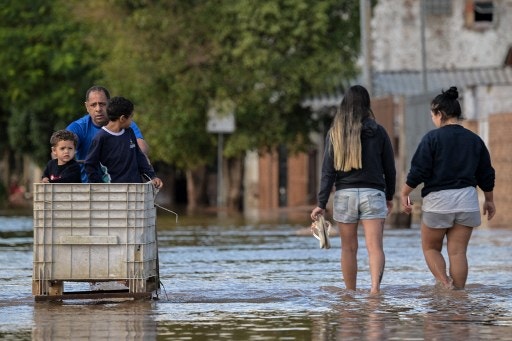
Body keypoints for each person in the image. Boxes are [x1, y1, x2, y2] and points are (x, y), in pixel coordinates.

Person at [400, 86, 495, 290]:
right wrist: (489, 199)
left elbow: (419, 171)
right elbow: (486, 173)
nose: (433, 119)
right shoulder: (474, 140)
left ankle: (445, 283)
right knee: (458, 252)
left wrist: (405, 193)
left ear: (440, 114)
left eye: (433, 115)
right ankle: (459, 298)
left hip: (439, 202)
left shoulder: (431, 139)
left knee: (430, 248)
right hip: (467, 200)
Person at [310, 85, 396, 294]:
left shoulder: (335, 133)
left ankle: (350, 293)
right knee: (375, 247)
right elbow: (389, 168)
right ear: (367, 105)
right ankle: (375, 290)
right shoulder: (379, 131)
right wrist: (389, 196)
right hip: (373, 194)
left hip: (345, 196)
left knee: (349, 248)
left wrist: (321, 203)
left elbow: (327, 172)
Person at [66, 85, 150, 183]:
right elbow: (61, 147)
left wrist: (142, 157)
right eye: (93, 105)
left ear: (109, 104)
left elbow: (140, 146)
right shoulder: (78, 127)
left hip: (121, 187)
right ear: (87, 107)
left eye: (102, 104)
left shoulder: (124, 123)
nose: (98, 109)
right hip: (90, 190)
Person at [84, 96, 163, 188]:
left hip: (136, 190)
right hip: (114, 193)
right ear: (122, 118)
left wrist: (152, 177)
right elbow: (90, 164)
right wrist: (98, 186)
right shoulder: (101, 138)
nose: (132, 120)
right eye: (131, 117)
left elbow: (139, 157)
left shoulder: (130, 132)